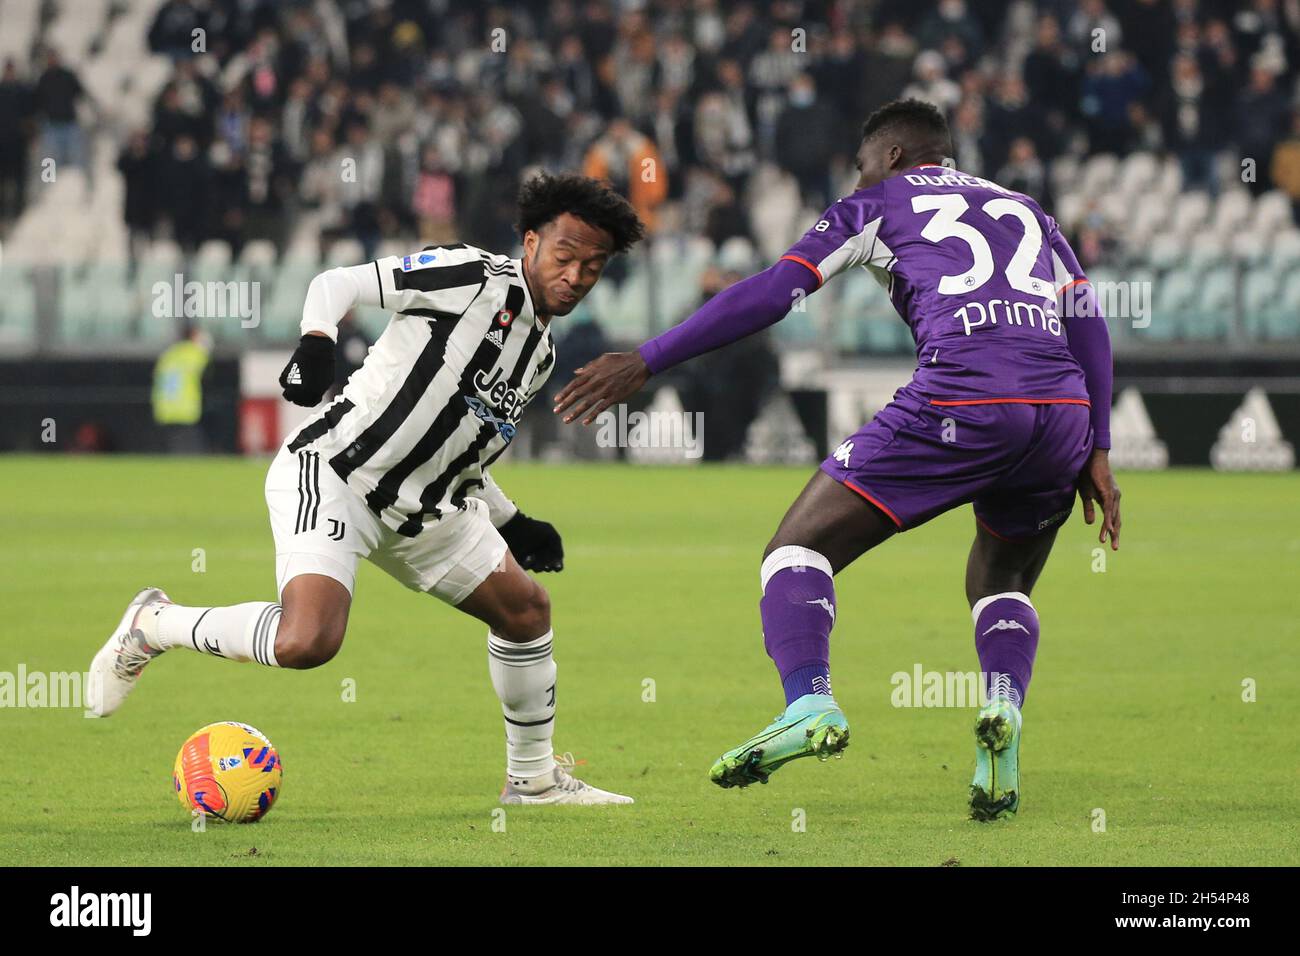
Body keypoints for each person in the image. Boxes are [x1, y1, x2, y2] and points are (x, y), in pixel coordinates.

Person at [553, 100, 1121, 820]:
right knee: (1002, 574)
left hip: (963, 396)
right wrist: (1098, 446)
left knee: (796, 549)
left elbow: (771, 292)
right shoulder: (1027, 209)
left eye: (859, 165)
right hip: (1062, 411)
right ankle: (1002, 715)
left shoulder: (876, 202)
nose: (855, 177)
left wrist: (648, 357)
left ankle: (808, 703)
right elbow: (1088, 319)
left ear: (888, 157)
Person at [89, 173, 646, 807]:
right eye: (565, 255)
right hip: (338, 476)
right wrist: (317, 340)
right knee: (307, 642)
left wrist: (512, 519)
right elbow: (338, 283)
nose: (575, 275)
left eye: (592, 267)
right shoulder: (471, 277)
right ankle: (153, 623)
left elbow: (459, 449)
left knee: (526, 613)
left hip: (427, 510)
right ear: (530, 242)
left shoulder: (540, 353)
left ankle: (534, 781)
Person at [152, 323, 212, 453]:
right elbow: (206, 369)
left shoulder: (169, 354)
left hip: (165, 408)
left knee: (173, 450)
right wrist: (203, 346)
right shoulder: (193, 353)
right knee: (190, 453)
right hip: (185, 409)